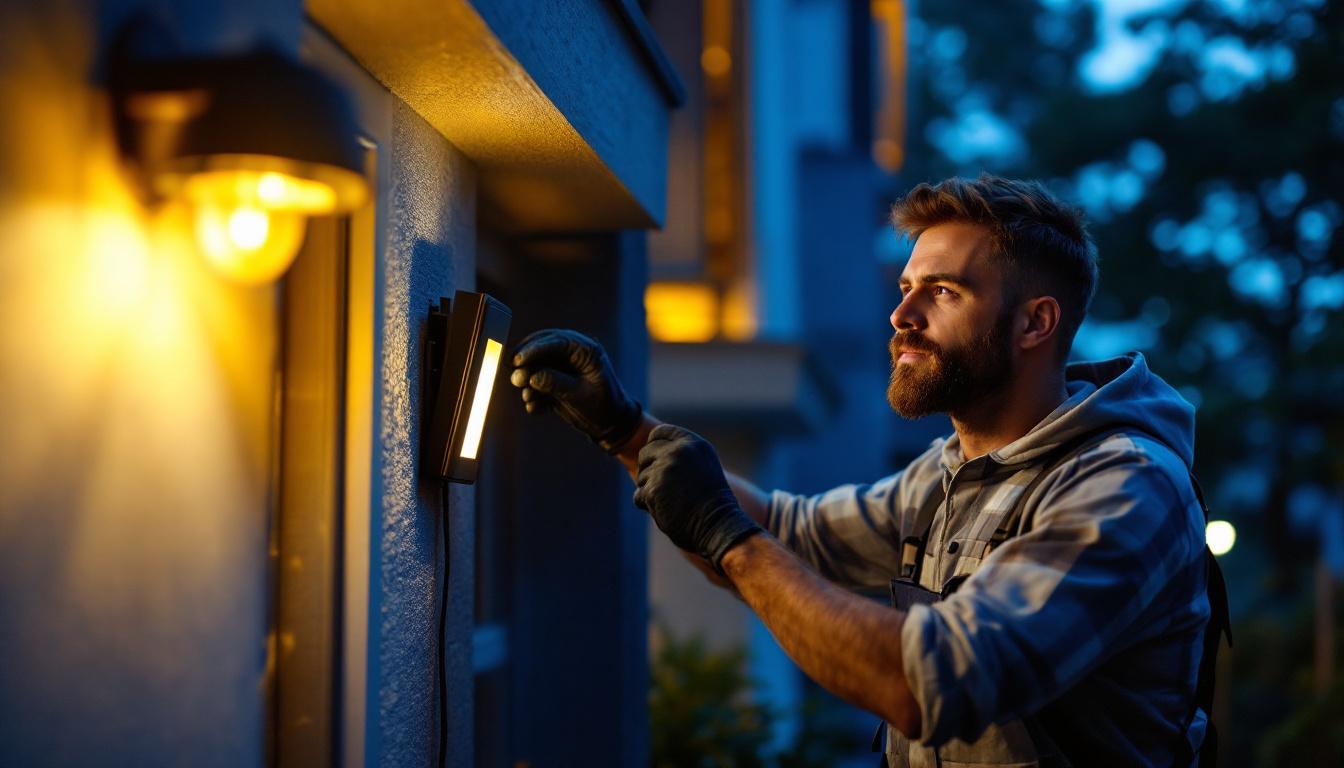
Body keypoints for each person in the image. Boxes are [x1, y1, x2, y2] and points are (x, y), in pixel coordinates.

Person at [509, 175, 1221, 767]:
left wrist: (726, 536)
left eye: (943, 292)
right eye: (906, 286)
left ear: (1035, 323)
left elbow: (933, 683)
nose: (900, 313)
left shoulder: (1124, 488)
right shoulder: (949, 473)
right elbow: (791, 534)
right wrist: (628, 432)